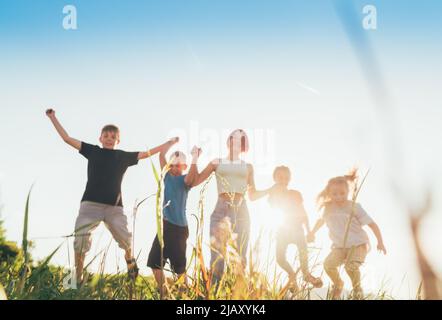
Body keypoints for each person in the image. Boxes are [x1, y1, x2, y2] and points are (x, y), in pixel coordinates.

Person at [45, 108, 175, 284]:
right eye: (106, 136)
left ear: (118, 140)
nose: (109, 139)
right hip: (90, 206)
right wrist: (53, 117)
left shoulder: (122, 156)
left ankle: (130, 260)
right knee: (80, 240)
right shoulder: (92, 151)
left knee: (126, 239)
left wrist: (167, 144)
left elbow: (146, 153)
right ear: (100, 138)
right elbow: (67, 139)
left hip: (114, 208)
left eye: (113, 137)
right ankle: (78, 276)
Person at [192, 129, 273, 283]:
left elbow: (252, 195)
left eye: (239, 139)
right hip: (221, 210)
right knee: (217, 259)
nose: (235, 140)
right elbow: (195, 181)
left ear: (243, 145)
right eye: (232, 137)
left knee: (240, 259)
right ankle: (214, 294)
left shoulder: (248, 166)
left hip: (242, 210)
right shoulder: (216, 162)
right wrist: (195, 158)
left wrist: (271, 190)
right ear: (228, 141)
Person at [308, 169, 387, 299]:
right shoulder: (328, 207)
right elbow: (320, 221)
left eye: (342, 193)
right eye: (334, 194)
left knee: (350, 267)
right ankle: (338, 284)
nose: (339, 197)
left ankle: (357, 289)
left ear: (348, 192)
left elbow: (372, 224)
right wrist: (312, 232)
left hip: (358, 245)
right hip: (339, 247)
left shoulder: (354, 206)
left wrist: (380, 241)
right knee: (328, 265)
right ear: (329, 193)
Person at [147, 144, 201, 295]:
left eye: (179, 166)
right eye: (173, 165)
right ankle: (164, 293)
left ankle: (184, 295)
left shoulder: (185, 180)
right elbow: (161, 156)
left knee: (179, 268)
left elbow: (191, 177)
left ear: (184, 166)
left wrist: (195, 157)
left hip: (179, 229)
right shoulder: (167, 177)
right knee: (154, 262)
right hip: (164, 227)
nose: (175, 168)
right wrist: (170, 142)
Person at [268, 166, 323, 291]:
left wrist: (309, 231)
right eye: (280, 177)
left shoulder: (295, 193)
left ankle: (306, 274)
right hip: (282, 231)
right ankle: (292, 274)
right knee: (280, 259)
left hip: (297, 230)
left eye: (286, 178)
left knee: (303, 253)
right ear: (274, 179)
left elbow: (303, 213)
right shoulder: (273, 196)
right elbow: (273, 206)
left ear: (290, 179)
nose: (283, 180)